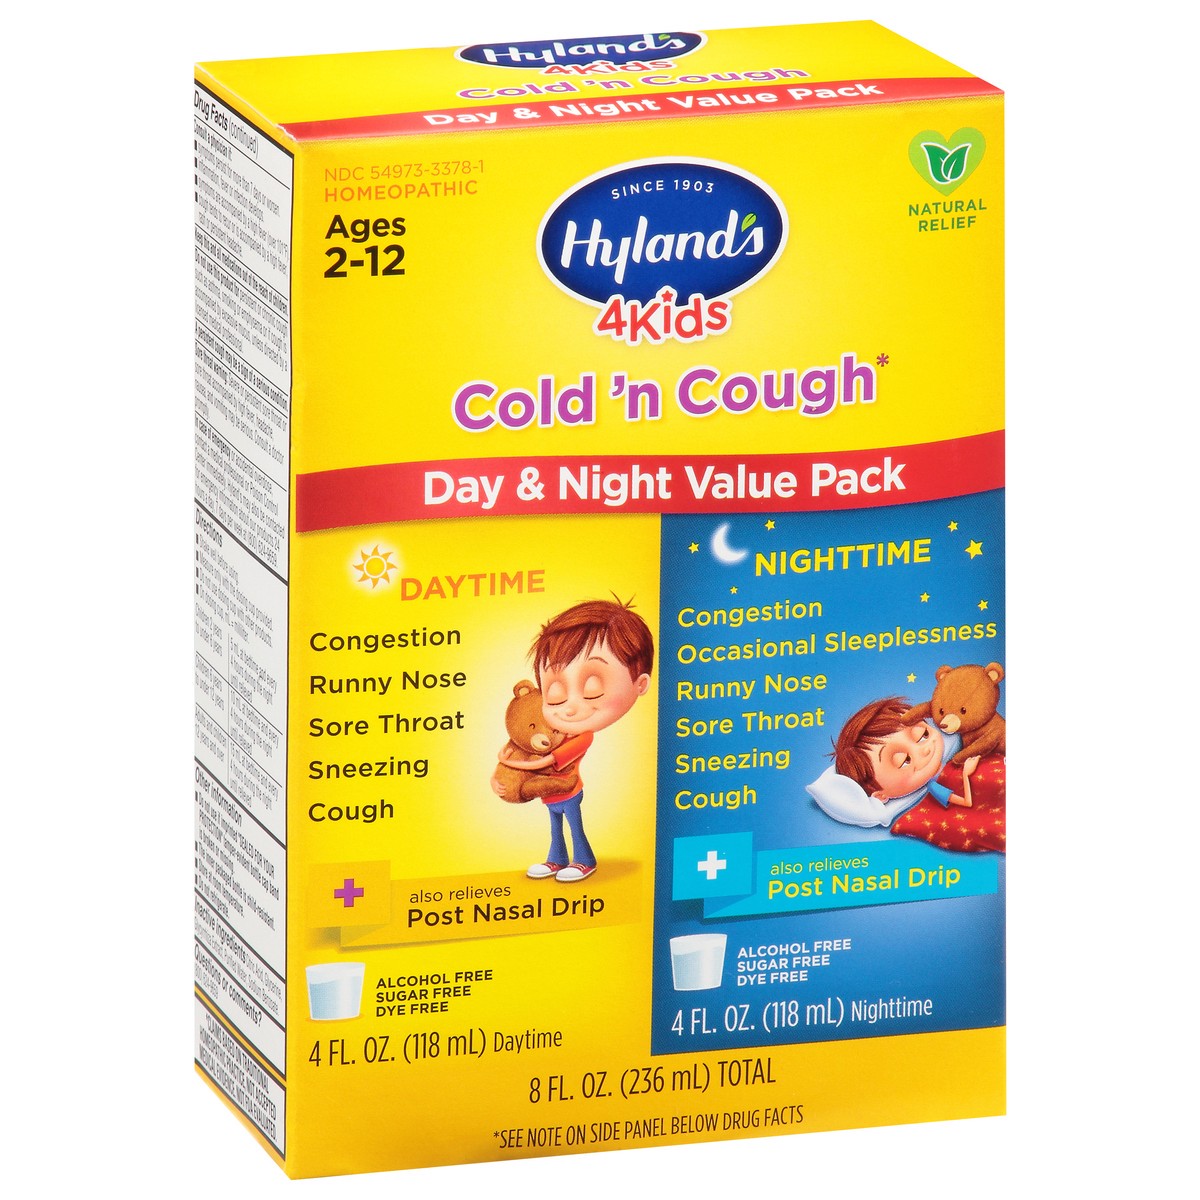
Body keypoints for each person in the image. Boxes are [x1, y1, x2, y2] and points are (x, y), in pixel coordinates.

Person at [492, 598, 653, 882]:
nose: (569, 707)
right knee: (555, 828)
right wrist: (500, 775)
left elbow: (544, 762)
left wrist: (513, 764)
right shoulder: (555, 730)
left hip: (568, 790)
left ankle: (584, 860)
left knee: (574, 827)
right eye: (555, 692)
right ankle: (556, 859)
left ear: (640, 684)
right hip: (548, 794)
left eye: (592, 687)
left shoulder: (581, 737)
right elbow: (524, 751)